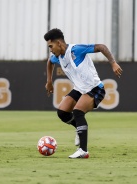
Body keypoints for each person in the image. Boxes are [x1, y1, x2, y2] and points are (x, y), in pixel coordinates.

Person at [44, 28, 122, 159]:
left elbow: (101, 47)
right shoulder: (58, 57)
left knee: (78, 112)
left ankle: (83, 151)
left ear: (59, 43)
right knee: (62, 112)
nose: (50, 50)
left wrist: (113, 63)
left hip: (95, 89)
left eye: (51, 46)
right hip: (80, 89)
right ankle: (79, 129)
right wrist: (49, 81)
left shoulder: (76, 50)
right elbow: (49, 62)